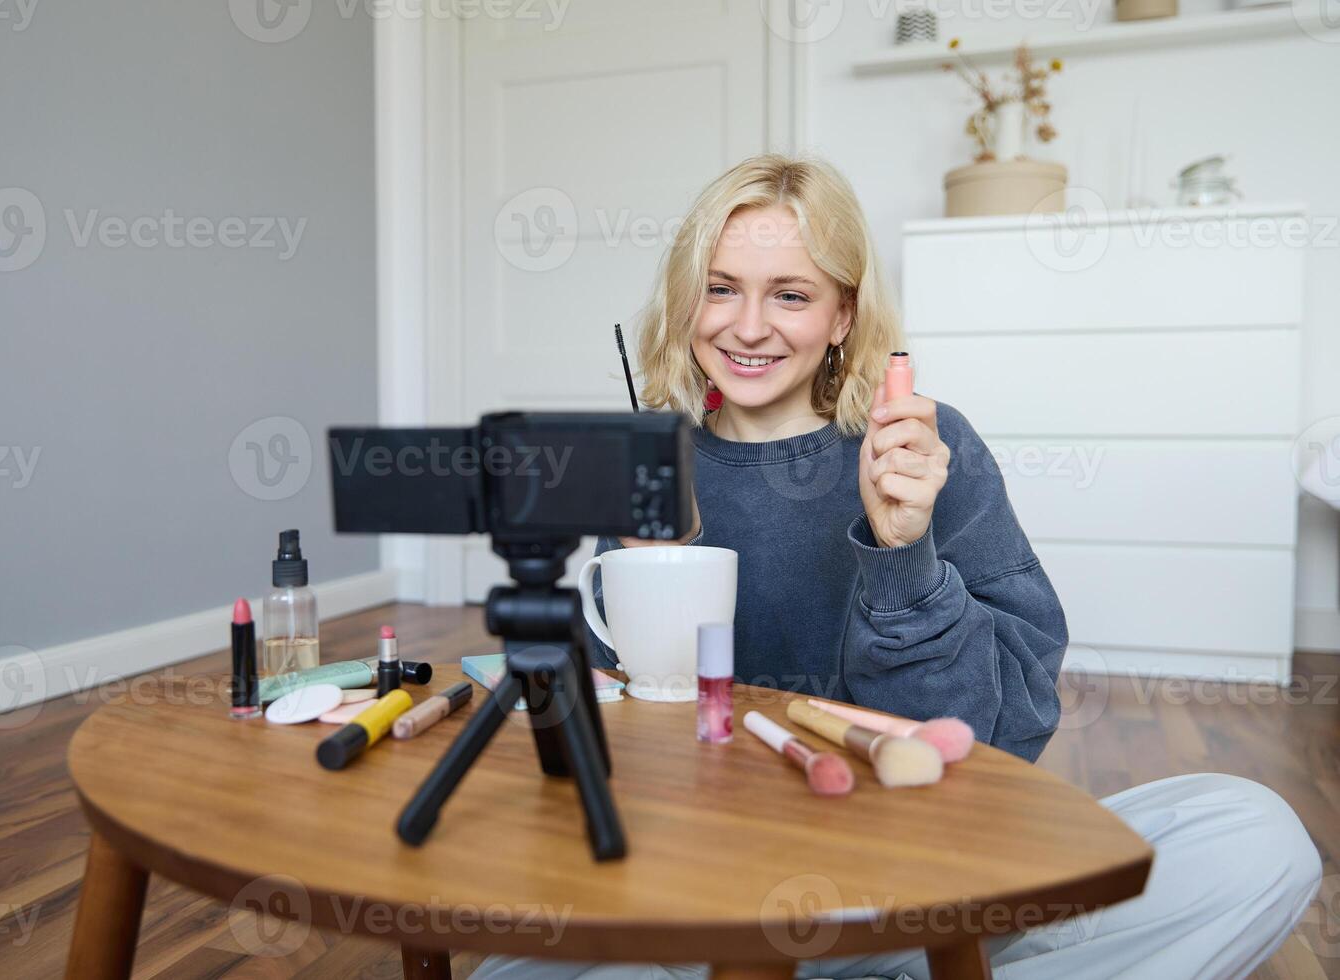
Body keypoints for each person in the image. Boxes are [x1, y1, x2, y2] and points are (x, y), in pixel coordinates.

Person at [473, 155, 1320, 980]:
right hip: (710, 880)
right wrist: (640, 588)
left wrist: (902, 554)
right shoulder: (651, 463)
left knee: (1253, 837)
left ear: (843, 315)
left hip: (923, 872)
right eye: (721, 287)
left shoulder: (920, 445)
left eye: (791, 295)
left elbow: (1002, 736)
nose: (748, 325)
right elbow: (592, 749)